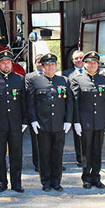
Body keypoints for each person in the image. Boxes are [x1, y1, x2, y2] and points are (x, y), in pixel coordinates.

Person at [26, 53, 73, 192]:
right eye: (47, 65)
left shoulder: (64, 80)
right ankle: (45, 181)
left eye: (53, 64)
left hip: (59, 124)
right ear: (43, 66)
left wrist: (68, 120)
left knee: (58, 154)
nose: (50, 67)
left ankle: (56, 181)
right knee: (44, 154)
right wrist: (33, 120)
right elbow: (31, 104)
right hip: (43, 124)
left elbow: (69, 103)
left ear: (56, 66)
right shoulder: (35, 81)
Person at [0, 50, 27, 193]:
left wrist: (25, 121)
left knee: (16, 155)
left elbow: (23, 102)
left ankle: (17, 183)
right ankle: (2, 183)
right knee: (0, 155)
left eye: (8, 63)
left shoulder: (19, 79)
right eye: (3, 63)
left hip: (15, 124)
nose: (6, 65)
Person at [71, 51, 105, 189]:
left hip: (100, 121)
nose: (92, 65)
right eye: (89, 62)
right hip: (85, 122)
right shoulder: (78, 79)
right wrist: (76, 122)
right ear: (85, 64)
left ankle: (96, 177)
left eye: (95, 63)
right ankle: (86, 178)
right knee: (86, 151)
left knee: (97, 151)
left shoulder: (103, 79)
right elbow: (75, 103)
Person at [63, 50, 85, 167]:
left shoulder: (91, 72)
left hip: (87, 108)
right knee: (78, 135)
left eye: (81, 57)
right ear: (72, 61)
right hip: (73, 107)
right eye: (76, 58)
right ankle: (80, 158)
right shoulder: (66, 74)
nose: (79, 60)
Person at [23, 54, 44, 172]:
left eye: (43, 62)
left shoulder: (51, 76)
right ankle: (38, 163)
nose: (40, 64)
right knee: (36, 141)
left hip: (47, 113)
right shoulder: (29, 77)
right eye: (38, 62)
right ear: (35, 63)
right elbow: (28, 95)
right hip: (34, 112)